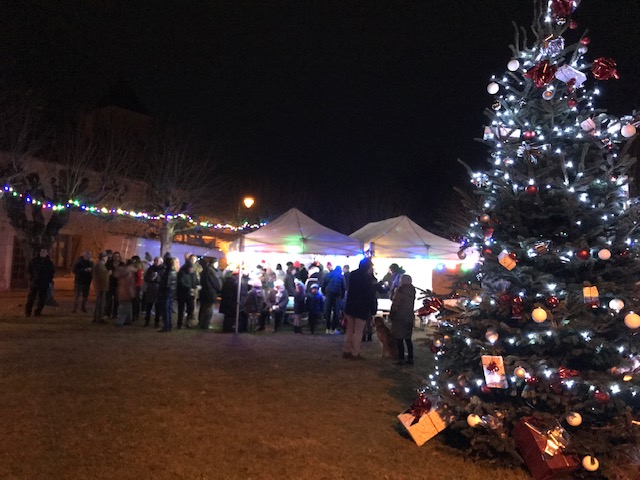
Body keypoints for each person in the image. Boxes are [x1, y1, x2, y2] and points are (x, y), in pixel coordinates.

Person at [342, 257, 377, 360]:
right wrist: (373, 308)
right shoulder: (367, 278)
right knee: (358, 331)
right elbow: (370, 294)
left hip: (350, 306)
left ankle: (346, 350)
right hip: (361, 307)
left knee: (349, 330)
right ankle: (355, 353)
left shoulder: (353, 274)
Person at [389, 274, 416, 365]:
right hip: (409, 316)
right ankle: (410, 357)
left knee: (399, 339)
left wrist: (392, 314)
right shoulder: (412, 291)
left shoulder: (400, 291)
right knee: (408, 338)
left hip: (399, 317)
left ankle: (401, 358)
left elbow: (396, 304)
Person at [25, 248, 55, 317]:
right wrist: (31, 279)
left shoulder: (49, 263)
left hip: (44, 283)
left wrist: (49, 280)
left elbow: (52, 272)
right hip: (35, 283)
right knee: (31, 298)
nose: (43, 253)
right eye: (41, 251)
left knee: (42, 298)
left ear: (47, 253)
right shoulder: (34, 261)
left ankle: (38, 312)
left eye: (44, 252)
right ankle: (28, 312)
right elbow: (29, 271)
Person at [198, 258, 222, 330]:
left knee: (203, 308)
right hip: (210, 293)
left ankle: (201, 323)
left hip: (204, 292)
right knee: (209, 309)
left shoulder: (205, 270)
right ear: (214, 263)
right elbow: (216, 283)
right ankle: (205, 325)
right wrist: (219, 290)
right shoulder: (211, 271)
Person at [322, 265, 346, 334]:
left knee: (328, 311)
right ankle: (333, 328)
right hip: (337, 296)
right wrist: (342, 296)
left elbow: (323, 285)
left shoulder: (328, 275)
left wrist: (324, 293)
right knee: (336, 312)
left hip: (328, 294)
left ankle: (327, 328)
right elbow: (343, 287)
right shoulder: (341, 276)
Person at [158, 253, 177, 332]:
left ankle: (166, 326)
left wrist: (161, 290)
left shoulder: (168, 272)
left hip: (167, 291)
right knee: (168, 308)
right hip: (171, 291)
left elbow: (166, 283)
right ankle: (169, 325)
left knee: (165, 309)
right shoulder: (174, 271)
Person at [177, 259, 199, 329]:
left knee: (190, 308)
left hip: (190, 294)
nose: (191, 270)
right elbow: (181, 282)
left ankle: (187, 321)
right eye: (190, 268)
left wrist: (197, 286)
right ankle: (179, 323)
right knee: (181, 309)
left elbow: (196, 281)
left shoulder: (193, 274)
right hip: (183, 293)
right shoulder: (182, 273)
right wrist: (189, 287)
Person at [143, 257, 163, 328]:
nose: (156, 262)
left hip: (158, 289)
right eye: (155, 260)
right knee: (149, 305)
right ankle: (147, 320)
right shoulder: (150, 268)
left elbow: (163, 279)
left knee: (158, 306)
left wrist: (157, 278)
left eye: (157, 261)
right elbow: (146, 278)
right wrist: (151, 278)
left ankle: (156, 321)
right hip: (151, 288)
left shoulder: (162, 269)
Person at [114, 260, 135, 326]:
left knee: (124, 306)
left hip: (121, 290)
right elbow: (130, 283)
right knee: (125, 307)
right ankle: (122, 321)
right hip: (127, 291)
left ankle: (124, 320)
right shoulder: (129, 272)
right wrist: (132, 292)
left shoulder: (120, 271)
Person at [92, 252, 110, 323]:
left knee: (99, 302)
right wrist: (108, 273)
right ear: (104, 258)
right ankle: (99, 317)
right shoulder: (100, 265)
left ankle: (97, 317)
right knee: (100, 302)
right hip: (101, 287)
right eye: (106, 257)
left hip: (99, 286)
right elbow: (102, 276)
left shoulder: (98, 265)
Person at [105, 251, 124, 318]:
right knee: (108, 300)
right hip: (110, 284)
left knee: (117, 300)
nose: (116, 258)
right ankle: (107, 313)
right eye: (115, 256)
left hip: (118, 285)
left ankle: (115, 314)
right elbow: (105, 272)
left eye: (117, 256)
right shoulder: (109, 263)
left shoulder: (122, 264)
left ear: (119, 257)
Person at [130, 255, 145, 322]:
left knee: (134, 301)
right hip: (139, 286)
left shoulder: (137, 267)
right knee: (137, 301)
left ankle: (134, 315)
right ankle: (136, 315)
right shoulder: (141, 267)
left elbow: (131, 270)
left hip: (135, 286)